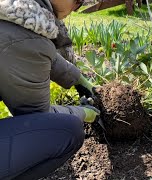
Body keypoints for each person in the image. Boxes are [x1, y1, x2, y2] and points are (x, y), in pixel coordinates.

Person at [0, 0, 100, 179]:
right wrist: (85, 113)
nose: (78, 6)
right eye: (77, 1)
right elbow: (39, 117)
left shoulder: (10, 14)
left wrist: (78, 79)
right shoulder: (24, 38)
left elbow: (43, 54)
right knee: (68, 132)